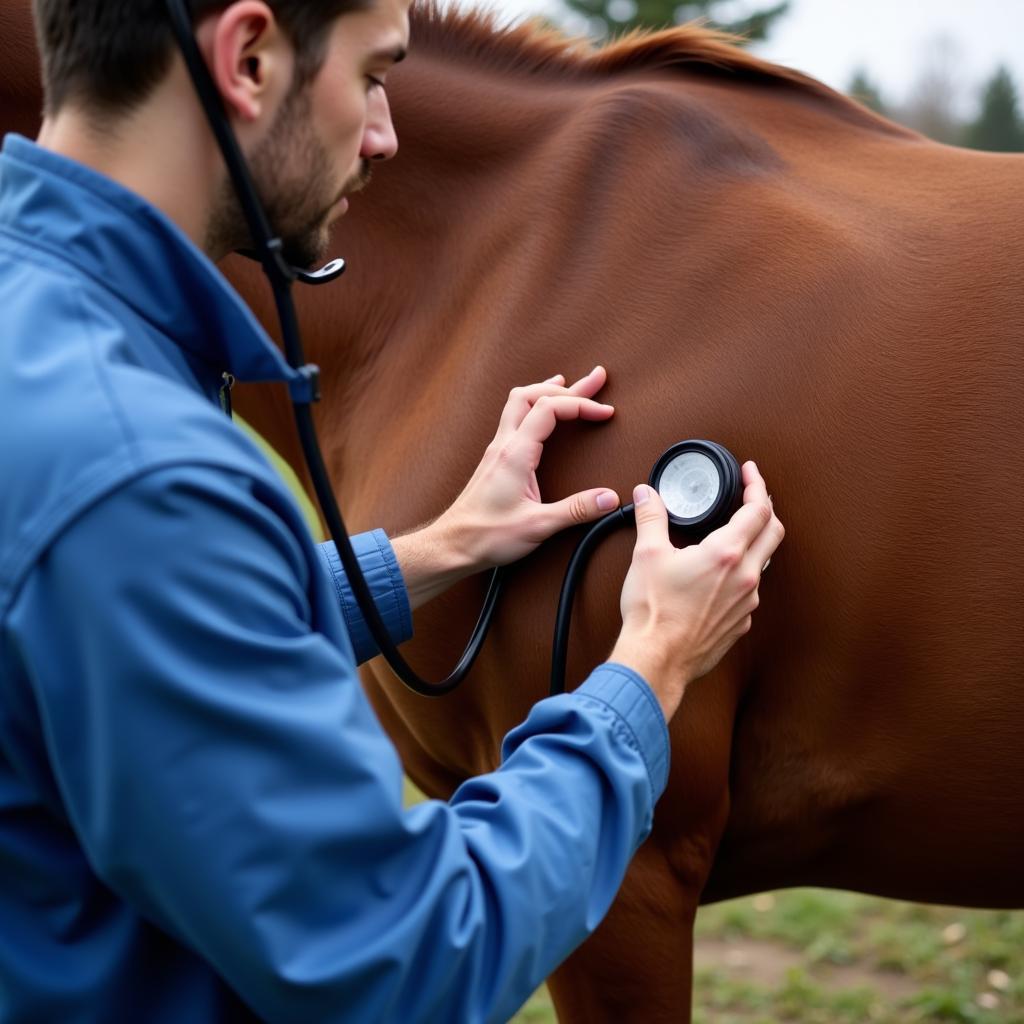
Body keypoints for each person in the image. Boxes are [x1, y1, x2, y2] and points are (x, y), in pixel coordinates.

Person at [0, 0, 784, 1020]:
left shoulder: (39, 326)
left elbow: (112, 626)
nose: (384, 134)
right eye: (373, 76)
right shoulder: (143, 472)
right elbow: (404, 951)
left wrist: (441, 549)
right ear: (246, 58)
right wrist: (647, 667)